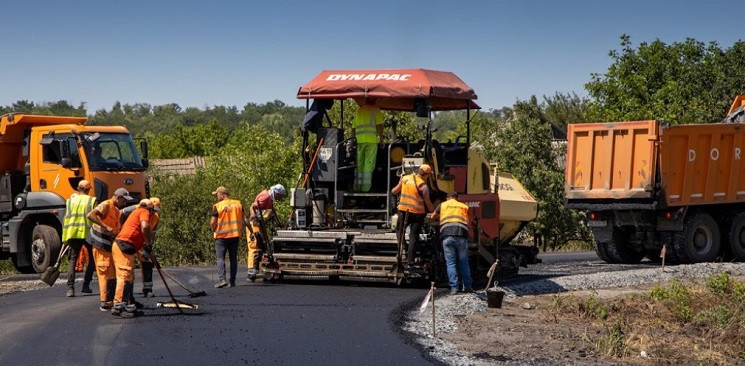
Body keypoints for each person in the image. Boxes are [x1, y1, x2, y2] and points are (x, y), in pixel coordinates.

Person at [87, 187, 131, 310]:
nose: (125, 203)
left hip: (108, 245)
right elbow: (90, 215)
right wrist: (106, 227)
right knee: (105, 271)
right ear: (118, 197)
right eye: (124, 200)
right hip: (100, 243)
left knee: (111, 272)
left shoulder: (116, 211)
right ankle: (105, 300)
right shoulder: (106, 205)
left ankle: (109, 300)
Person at [111, 199, 154, 318]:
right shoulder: (143, 211)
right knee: (125, 276)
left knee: (129, 276)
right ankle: (119, 306)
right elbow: (145, 227)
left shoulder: (135, 216)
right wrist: (149, 243)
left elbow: (138, 237)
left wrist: (148, 252)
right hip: (123, 246)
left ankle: (128, 303)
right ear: (150, 209)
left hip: (125, 247)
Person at [391, 164, 435, 267]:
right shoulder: (423, 185)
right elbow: (427, 202)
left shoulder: (405, 178)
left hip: (403, 211)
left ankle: (403, 251)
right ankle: (410, 261)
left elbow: (394, 191)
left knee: (400, 232)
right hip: (417, 214)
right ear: (426, 175)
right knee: (413, 236)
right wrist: (434, 212)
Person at [431, 192, 473, 294]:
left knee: (451, 263)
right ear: (457, 198)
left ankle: (454, 288)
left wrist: (441, 217)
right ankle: (467, 287)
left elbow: (433, 216)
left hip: (447, 235)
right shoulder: (464, 206)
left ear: (447, 198)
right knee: (464, 262)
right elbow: (468, 222)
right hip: (461, 236)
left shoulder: (442, 205)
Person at [120, 197, 161, 297]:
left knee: (147, 262)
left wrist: (150, 248)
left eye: (156, 210)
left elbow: (152, 234)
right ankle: (128, 295)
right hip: (129, 239)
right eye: (153, 210)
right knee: (128, 266)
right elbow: (120, 213)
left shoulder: (155, 217)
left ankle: (147, 289)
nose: (153, 213)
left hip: (142, 241)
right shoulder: (137, 208)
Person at [62, 180, 97, 297]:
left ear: (78, 188)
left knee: (72, 260)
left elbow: (66, 218)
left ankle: (70, 289)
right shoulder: (91, 200)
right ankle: (86, 286)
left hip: (73, 233)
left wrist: (65, 237)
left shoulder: (69, 201)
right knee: (92, 260)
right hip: (88, 233)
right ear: (87, 190)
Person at [246, 184, 285, 282]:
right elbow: (252, 206)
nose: (280, 198)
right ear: (276, 193)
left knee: (263, 245)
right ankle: (251, 271)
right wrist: (254, 216)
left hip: (260, 223)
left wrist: (279, 223)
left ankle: (255, 269)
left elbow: (272, 210)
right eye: (280, 196)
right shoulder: (266, 196)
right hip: (254, 223)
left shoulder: (270, 198)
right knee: (256, 246)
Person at [210, 186, 244, 288]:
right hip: (234, 235)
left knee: (220, 258)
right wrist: (251, 231)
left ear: (223, 194)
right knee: (233, 258)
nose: (216, 196)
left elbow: (212, 222)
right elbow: (245, 219)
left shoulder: (217, 206)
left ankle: (222, 280)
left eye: (217, 194)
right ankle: (232, 281)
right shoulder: (238, 204)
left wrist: (213, 229)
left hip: (221, 236)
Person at [351, 101, 385, 192]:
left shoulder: (358, 111)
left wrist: (351, 142)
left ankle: (357, 188)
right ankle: (365, 189)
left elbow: (353, 129)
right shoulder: (375, 110)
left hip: (359, 142)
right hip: (371, 141)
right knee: (369, 165)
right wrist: (381, 139)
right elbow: (379, 126)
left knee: (359, 165)